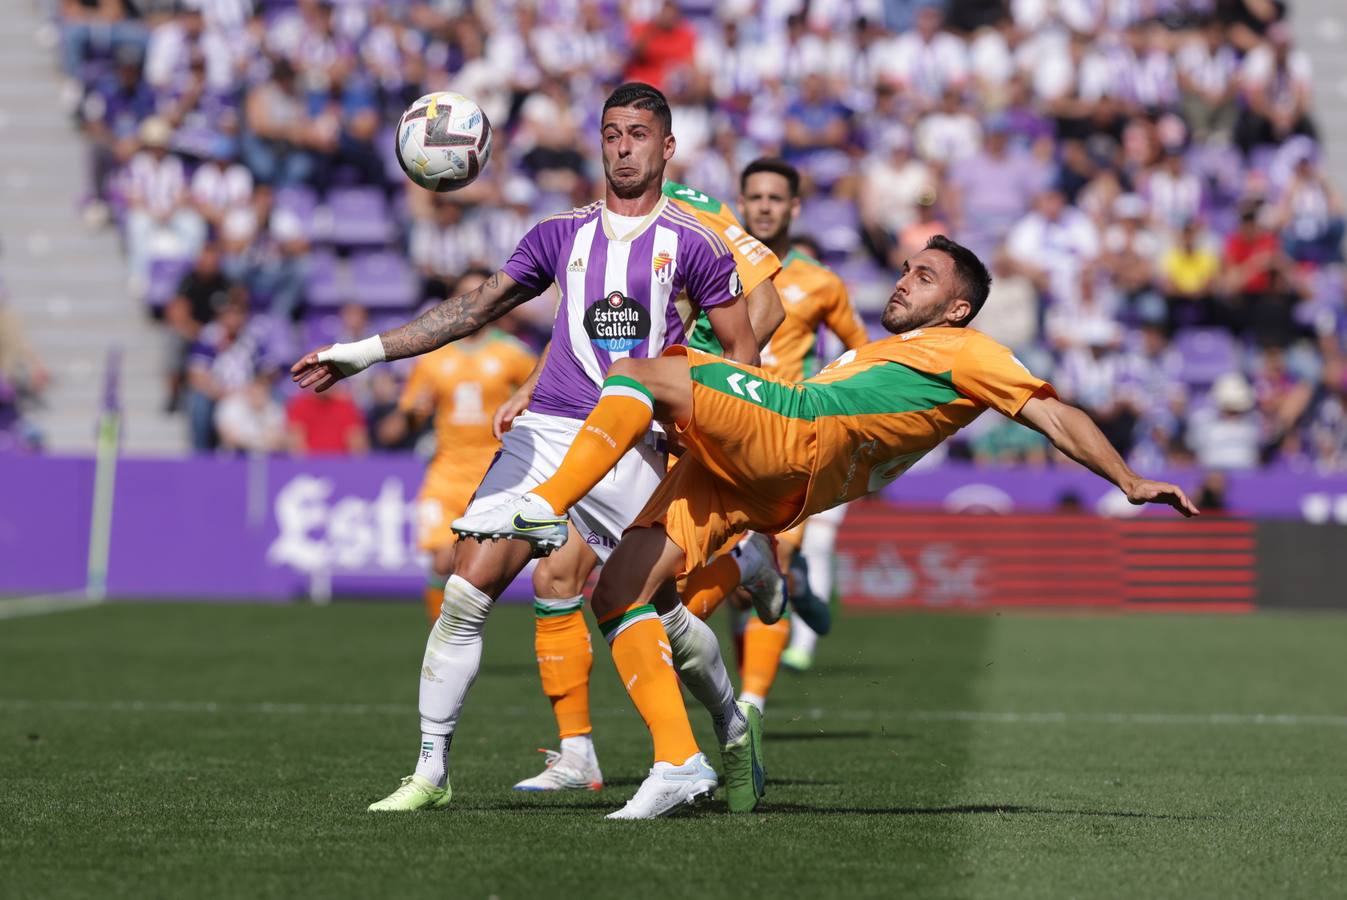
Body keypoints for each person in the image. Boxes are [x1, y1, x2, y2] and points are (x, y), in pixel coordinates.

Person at [457, 234, 1198, 818]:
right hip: (773, 481)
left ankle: (542, 501)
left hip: (794, 431)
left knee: (639, 374)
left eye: (925, 278)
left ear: (957, 310)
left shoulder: (968, 352)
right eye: (906, 271)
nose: (903, 282)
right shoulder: (885, 353)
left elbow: (1052, 413)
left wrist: (1128, 479)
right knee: (618, 592)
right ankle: (690, 752)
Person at [290, 83, 779, 817]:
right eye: (611, 134)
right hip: (547, 431)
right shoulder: (558, 234)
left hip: (633, 442)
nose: (623, 148)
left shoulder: (695, 242)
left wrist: (714, 452)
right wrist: (363, 352)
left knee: (656, 609)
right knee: (467, 587)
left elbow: (740, 360)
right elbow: (474, 308)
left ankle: (730, 725)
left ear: (667, 147)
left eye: (638, 134)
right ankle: (430, 770)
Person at [375, 269, 536, 624]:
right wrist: (409, 417)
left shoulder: (513, 354)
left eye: (480, 293)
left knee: (476, 572)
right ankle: (441, 641)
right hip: (446, 473)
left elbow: (538, 398)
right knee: (440, 561)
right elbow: (407, 418)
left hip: (495, 474)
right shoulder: (433, 358)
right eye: (465, 295)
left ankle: (464, 635)